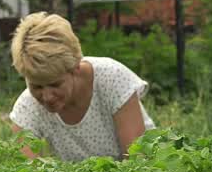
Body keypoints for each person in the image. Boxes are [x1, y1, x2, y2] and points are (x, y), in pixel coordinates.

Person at [8, 12, 154, 161]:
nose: (47, 96)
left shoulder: (112, 78)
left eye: (55, 84)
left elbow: (138, 160)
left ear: (75, 67)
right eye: (37, 86)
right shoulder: (26, 109)